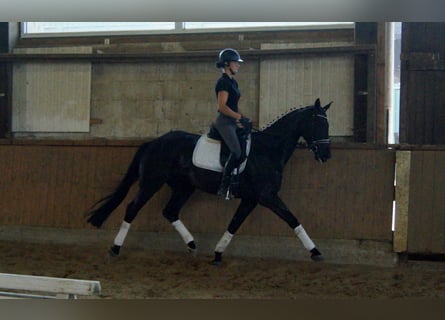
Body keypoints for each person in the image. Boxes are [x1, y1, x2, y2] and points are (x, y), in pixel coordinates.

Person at [214, 48, 251, 198]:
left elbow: (234, 105)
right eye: (236, 63)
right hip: (224, 123)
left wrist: (244, 117)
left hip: (232, 121)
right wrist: (238, 117)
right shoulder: (223, 82)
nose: (238, 65)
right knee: (236, 151)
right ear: (227, 64)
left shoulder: (233, 82)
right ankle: (224, 186)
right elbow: (222, 107)